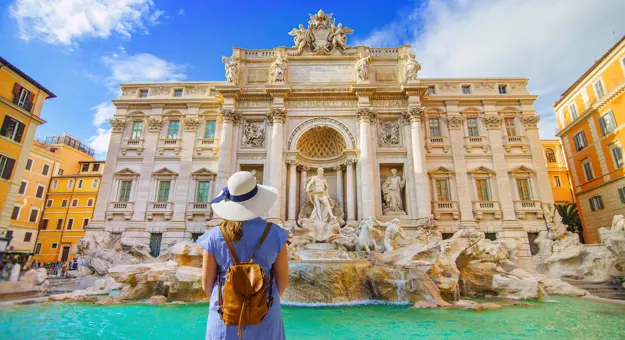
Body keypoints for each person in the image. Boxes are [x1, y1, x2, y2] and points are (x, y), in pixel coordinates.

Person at [197, 171, 289, 340]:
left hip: (225, 317)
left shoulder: (213, 236)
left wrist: (234, 302)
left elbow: (207, 286)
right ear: (257, 200)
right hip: (266, 316)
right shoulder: (276, 234)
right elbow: (282, 283)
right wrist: (256, 302)